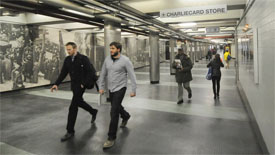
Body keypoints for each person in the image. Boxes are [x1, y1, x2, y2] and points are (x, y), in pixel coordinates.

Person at [50, 42, 98, 142]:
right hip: (74, 86)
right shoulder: (67, 60)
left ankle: (70, 131)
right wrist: (56, 84)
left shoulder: (83, 59)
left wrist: (83, 83)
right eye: (67, 49)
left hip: (81, 86)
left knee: (73, 107)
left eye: (70, 49)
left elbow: (91, 72)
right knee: (79, 102)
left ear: (75, 49)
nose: (68, 51)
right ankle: (93, 111)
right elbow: (63, 73)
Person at [98, 41, 137, 149]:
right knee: (116, 106)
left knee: (113, 111)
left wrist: (133, 89)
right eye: (110, 48)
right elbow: (103, 74)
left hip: (121, 87)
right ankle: (125, 115)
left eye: (113, 48)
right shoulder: (107, 59)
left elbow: (132, 75)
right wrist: (101, 87)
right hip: (111, 88)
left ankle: (111, 138)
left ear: (118, 49)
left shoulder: (125, 61)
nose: (111, 50)